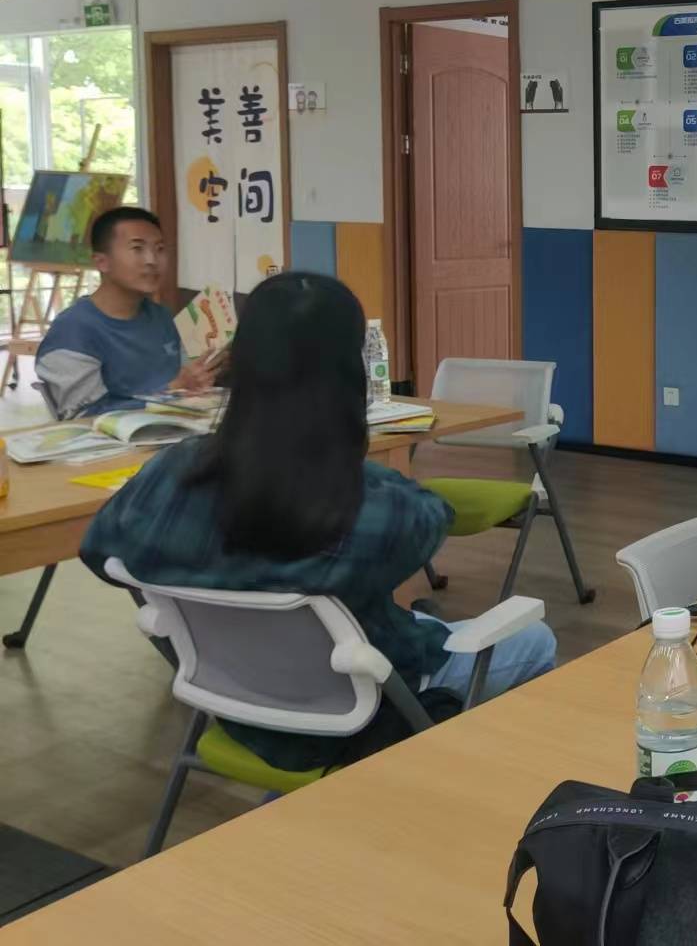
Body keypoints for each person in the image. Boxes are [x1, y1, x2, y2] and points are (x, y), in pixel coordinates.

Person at [81, 271, 556, 771]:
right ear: (350, 375)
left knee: (416, 619)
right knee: (534, 639)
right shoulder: (373, 507)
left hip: (236, 706)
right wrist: (345, 458)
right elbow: (434, 517)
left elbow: (99, 553)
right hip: (363, 714)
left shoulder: (170, 472)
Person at [34, 206, 220, 418]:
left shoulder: (161, 316)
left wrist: (203, 373)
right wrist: (171, 391)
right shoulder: (72, 330)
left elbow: (185, 379)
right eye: (137, 249)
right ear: (102, 262)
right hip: (120, 438)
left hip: (179, 428)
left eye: (160, 249)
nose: (152, 260)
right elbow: (85, 416)